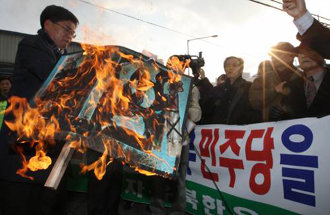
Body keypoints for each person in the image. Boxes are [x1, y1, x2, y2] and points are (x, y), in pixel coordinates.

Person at [0, 5, 79, 215]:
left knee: (42, 201)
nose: (70, 36)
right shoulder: (32, 46)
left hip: (45, 142)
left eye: (73, 33)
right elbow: (55, 81)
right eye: (67, 29)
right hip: (22, 140)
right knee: (19, 199)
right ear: (47, 25)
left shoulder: (60, 57)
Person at [249, 42, 305, 122]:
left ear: (291, 56)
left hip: (299, 126)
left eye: (278, 54)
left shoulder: (304, 77)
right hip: (270, 128)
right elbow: (254, 101)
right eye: (272, 55)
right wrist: (274, 91)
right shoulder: (262, 79)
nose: (274, 57)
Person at [208, 56, 260, 125]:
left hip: (241, 133)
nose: (230, 68)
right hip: (220, 133)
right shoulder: (217, 89)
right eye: (227, 65)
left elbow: (256, 112)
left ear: (241, 69)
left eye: (234, 65)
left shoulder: (249, 87)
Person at [296, 45, 330, 117]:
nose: (303, 56)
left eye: (309, 51)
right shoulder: (292, 85)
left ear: (322, 55)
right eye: (300, 53)